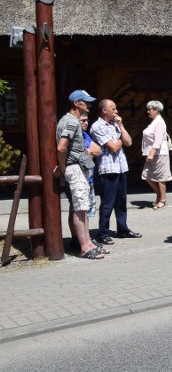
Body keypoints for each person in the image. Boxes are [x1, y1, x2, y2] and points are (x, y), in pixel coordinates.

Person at [55, 90, 104, 259]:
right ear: (76, 103)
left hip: (78, 167)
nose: (89, 105)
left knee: (83, 208)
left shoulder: (72, 121)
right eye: (86, 102)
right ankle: (84, 247)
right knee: (79, 207)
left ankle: (88, 243)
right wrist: (63, 167)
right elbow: (61, 147)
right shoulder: (71, 122)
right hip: (74, 168)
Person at [90, 99, 141, 245]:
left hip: (121, 167)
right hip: (108, 169)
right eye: (113, 109)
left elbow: (129, 142)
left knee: (121, 202)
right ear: (104, 110)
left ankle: (123, 229)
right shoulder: (97, 126)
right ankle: (103, 233)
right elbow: (113, 147)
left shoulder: (115, 125)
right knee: (107, 202)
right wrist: (120, 140)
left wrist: (121, 126)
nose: (116, 111)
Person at [141, 100, 172, 210]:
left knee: (160, 177)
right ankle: (159, 195)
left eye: (150, 109)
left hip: (158, 154)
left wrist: (152, 153)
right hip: (152, 154)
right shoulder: (154, 121)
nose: (148, 111)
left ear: (156, 110)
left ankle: (163, 199)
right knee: (147, 176)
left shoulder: (159, 122)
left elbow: (158, 140)